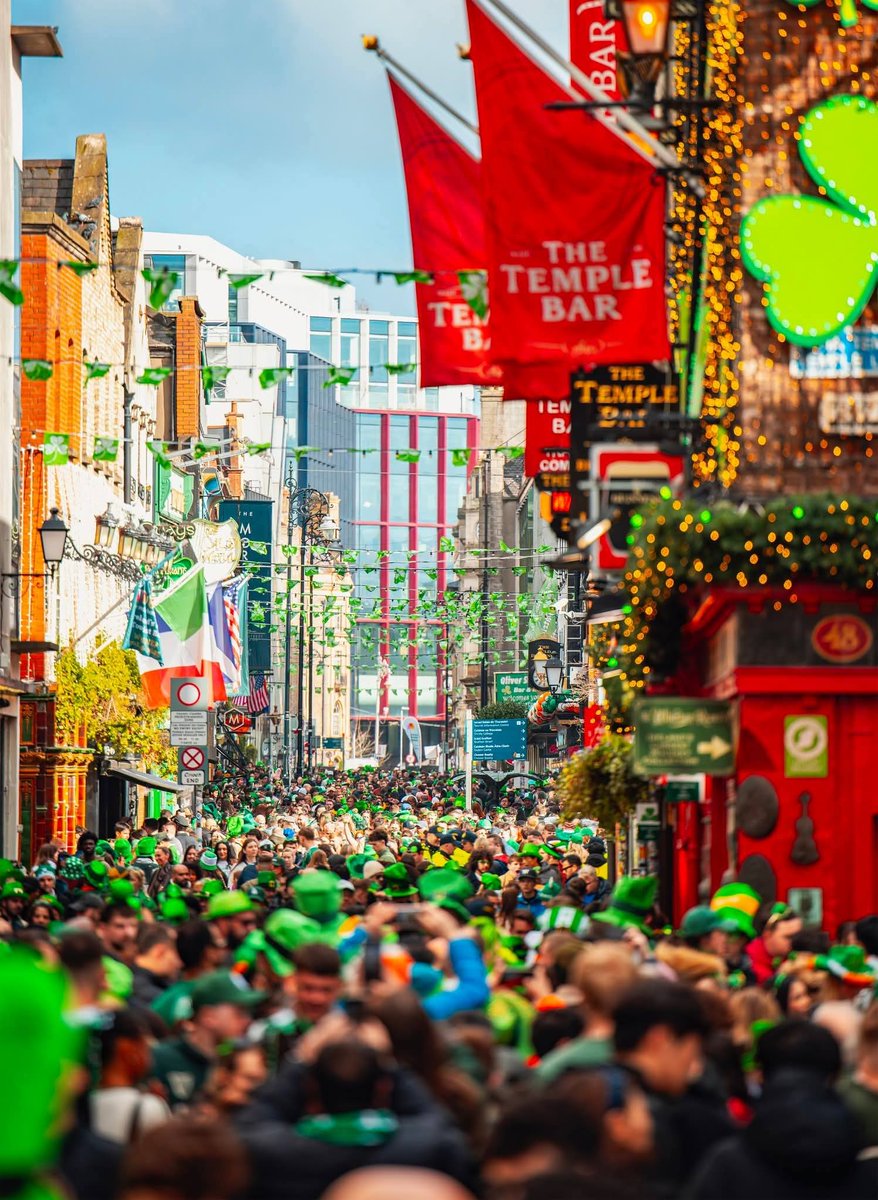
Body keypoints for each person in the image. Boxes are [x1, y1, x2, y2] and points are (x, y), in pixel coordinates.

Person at [149, 972, 266, 1109]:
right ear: (208, 1016)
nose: (247, 1020)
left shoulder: (236, 1064)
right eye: (239, 1012)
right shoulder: (160, 1059)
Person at [90, 1008, 171, 1144]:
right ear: (127, 1048)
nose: (150, 1057)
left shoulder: (78, 1103)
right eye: (146, 1047)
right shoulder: (148, 1108)